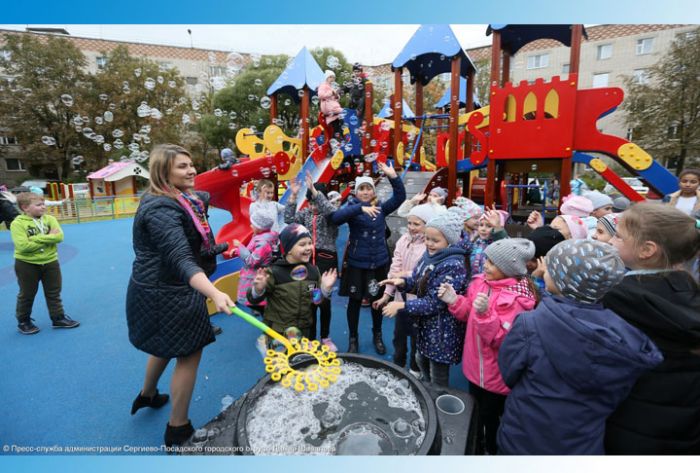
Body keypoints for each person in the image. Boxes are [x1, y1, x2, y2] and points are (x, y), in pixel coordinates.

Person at [497, 240, 662, 454]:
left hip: (524, 435)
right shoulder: (625, 337)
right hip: (581, 444)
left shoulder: (531, 325)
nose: (545, 271)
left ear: (562, 281)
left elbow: (509, 373)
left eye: (551, 269)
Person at [126, 144, 235, 448]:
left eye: (191, 164)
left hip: (160, 289)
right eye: (182, 167)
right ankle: (178, 428)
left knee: (164, 344)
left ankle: (147, 394)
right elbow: (179, 257)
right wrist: (215, 292)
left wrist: (220, 249)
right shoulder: (161, 208)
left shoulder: (179, 198)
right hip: (170, 292)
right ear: (163, 172)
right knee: (188, 353)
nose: (192, 171)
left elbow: (194, 235)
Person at [603, 202, 700, 453]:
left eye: (618, 236)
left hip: (627, 423)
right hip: (683, 428)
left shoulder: (616, 298)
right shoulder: (689, 290)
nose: (612, 240)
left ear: (646, 250)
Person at [438, 238, 538, 454]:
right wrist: (454, 300)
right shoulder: (479, 283)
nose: (485, 265)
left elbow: (503, 340)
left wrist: (485, 314)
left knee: (491, 421)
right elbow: (468, 315)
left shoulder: (518, 300)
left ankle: (490, 452)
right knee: (476, 413)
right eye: (487, 260)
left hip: (497, 377)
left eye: (492, 263)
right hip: (475, 368)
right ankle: (477, 446)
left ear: (508, 268)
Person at [381, 211, 468, 387]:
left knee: (437, 375)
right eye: (427, 239)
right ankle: (428, 392)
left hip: (442, 331)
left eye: (435, 241)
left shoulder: (452, 265)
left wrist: (402, 305)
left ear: (450, 241)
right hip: (426, 327)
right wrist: (403, 282)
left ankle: (437, 402)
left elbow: (435, 303)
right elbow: (418, 280)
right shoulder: (430, 256)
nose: (429, 244)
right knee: (421, 360)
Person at [331, 161, 406, 354]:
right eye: (361, 189)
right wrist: (359, 209)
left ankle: (377, 334)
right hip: (357, 263)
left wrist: (393, 177)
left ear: (373, 191)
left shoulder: (380, 208)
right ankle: (353, 338)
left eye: (368, 189)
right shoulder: (352, 208)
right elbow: (335, 218)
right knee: (355, 302)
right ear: (356, 192)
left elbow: (400, 197)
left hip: (378, 263)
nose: (365, 192)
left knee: (376, 300)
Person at [247, 223, 338, 342]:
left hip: (304, 331)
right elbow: (253, 300)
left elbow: (316, 300)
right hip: (278, 332)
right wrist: (258, 289)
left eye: (310, 243)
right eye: (302, 244)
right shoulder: (274, 272)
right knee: (280, 360)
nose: (308, 248)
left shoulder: (313, 272)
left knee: (302, 359)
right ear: (288, 249)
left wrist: (325, 289)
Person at [284, 173, 342, 351]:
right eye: (310, 202)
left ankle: (325, 337)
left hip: (326, 262)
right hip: (308, 263)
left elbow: (329, 210)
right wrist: (293, 196)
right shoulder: (306, 215)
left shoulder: (331, 215)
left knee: (324, 302)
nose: (313, 207)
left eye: (316, 202)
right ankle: (310, 338)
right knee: (310, 302)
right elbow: (288, 220)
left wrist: (315, 192)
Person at [372, 203, 430, 377]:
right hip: (400, 299)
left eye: (417, 224)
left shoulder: (429, 245)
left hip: (419, 301)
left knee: (417, 337)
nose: (411, 227)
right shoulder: (403, 240)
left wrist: (407, 275)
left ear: (427, 224)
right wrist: (386, 295)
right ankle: (398, 365)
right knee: (399, 335)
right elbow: (394, 270)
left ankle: (415, 368)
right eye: (409, 223)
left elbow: (426, 273)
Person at [10, 192, 79, 334]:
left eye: (43, 204)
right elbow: (23, 246)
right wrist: (48, 237)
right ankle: (24, 321)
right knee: (27, 293)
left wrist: (35, 239)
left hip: (50, 261)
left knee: (54, 292)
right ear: (25, 208)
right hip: (27, 264)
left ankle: (58, 318)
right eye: (38, 205)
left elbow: (59, 237)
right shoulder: (17, 224)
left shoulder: (50, 219)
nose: (43, 207)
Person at [226, 207, 279, 317]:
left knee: (256, 296)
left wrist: (240, 247)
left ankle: (266, 315)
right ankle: (262, 309)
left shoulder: (263, 243)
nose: (250, 226)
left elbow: (252, 261)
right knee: (256, 297)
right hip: (255, 273)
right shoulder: (260, 237)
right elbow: (251, 250)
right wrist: (237, 251)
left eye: (253, 224)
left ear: (260, 228)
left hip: (256, 274)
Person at [318, 70, 344, 141]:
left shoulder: (331, 87)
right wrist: (331, 92)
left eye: (333, 78)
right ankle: (336, 139)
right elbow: (320, 95)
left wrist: (336, 95)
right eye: (331, 77)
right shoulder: (323, 86)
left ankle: (339, 137)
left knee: (338, 125)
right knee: (343, 113)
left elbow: (334, 98)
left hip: (333, 108)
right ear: (327, 78)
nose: (332, 79)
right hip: (329, 108)